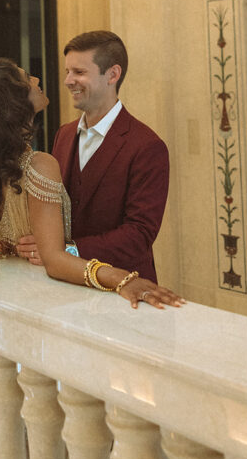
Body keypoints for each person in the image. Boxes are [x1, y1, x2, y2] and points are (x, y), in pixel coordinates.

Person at [0, 57, 183, 310]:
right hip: (44, 297)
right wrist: (123, 279)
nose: (36, 79)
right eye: (26, 79)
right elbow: (55, 261)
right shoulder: (38, 165)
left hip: (7, 288)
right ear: (14, 101)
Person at [14, 31, 169, 283]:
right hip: (66, 283)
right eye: (67, 72)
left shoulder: (147, 146)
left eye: (79, 72)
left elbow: (139, 234)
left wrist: (67, 251)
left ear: (113, 75)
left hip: (124, 288)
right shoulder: (63, 135)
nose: (68, 80)